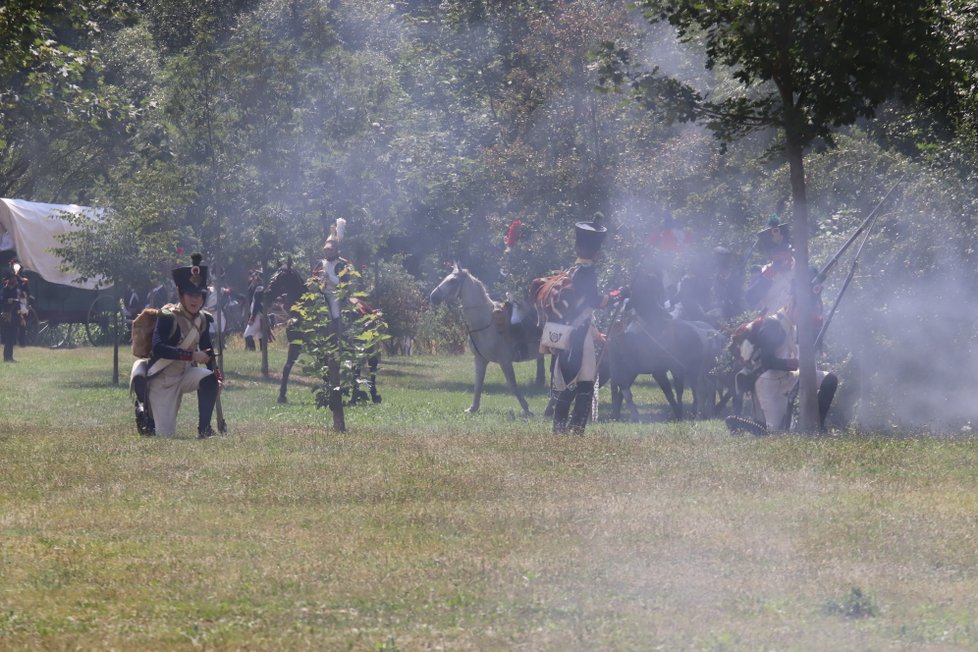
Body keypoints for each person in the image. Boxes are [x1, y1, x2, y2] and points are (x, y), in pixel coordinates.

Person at [726, 275, 837, 435]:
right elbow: (766, 360)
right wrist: (789, 364)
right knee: (775, 435)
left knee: (830, 380)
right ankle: (743, 425)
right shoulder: (774, 325)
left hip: (788, 376)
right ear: (791, 306)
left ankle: (816, 428)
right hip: (768, 382)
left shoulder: (793, 325)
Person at [130, 253, 221, 438]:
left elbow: (206, 347)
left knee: (209, 379)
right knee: (162, 435)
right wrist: (191, 356)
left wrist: (214, 371)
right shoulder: (167, 316)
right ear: (180, 293)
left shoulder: (202, 319)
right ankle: (143, 412)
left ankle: (204, 430)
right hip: (162, 379)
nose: (195, 299)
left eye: (199, 295)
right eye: (190, 294)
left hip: (184, 374)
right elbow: (158, 347)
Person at [550, 216, 627, 434]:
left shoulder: (572, 269)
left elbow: (583, 307)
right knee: (581, 381)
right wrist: (618, 294)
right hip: (578, 335)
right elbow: (595, 301)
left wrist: (595, 333)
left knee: (578, 380)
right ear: (596, 251)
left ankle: (563, 428)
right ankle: (573, 429)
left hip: (574, 330)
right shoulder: (587, 271)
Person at [745, 215, 794, 316]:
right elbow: (751, 299)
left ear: (789, 251)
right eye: (776, 254)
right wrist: (769, 275)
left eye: (783, 252)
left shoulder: (801, 269)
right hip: (771, 327)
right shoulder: (763, 272)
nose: (781, 257)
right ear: (770, 256)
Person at [317, 217, 350, 321]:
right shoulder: (320, 263)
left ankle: (338, 333)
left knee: (335, 312)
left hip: (335, 294)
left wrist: (329, 277)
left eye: (330, 250)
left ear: (335, 250)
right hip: (320, 295)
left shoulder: (342, 264)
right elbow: (314, 278)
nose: (328, 252)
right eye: (326, 250)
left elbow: (344, 283)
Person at [1, 270, 21, 361]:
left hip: (15, 315)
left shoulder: (16, 290)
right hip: (7, 314)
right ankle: (6, 357)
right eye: (13, 278)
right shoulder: (5, 289)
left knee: (13, 336)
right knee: (8, 336)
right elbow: (2, 300)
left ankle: (10, 357)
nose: (15, 280)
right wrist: (8, 300)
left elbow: (18, 303)